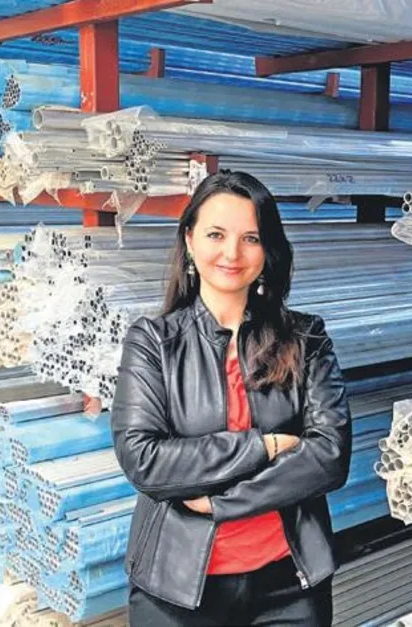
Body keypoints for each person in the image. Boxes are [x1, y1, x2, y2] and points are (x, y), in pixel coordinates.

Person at [112, 170, 353, 626]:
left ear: (268, 250)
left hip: (290, 585)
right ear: (189, 240)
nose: (232, 253)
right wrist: (265, 446)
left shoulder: (306, 338)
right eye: (216, 235)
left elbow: (329, 456)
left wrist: (222, 503)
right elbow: (145, 460)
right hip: (177, 589)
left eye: (250, 238)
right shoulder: (153, 343)